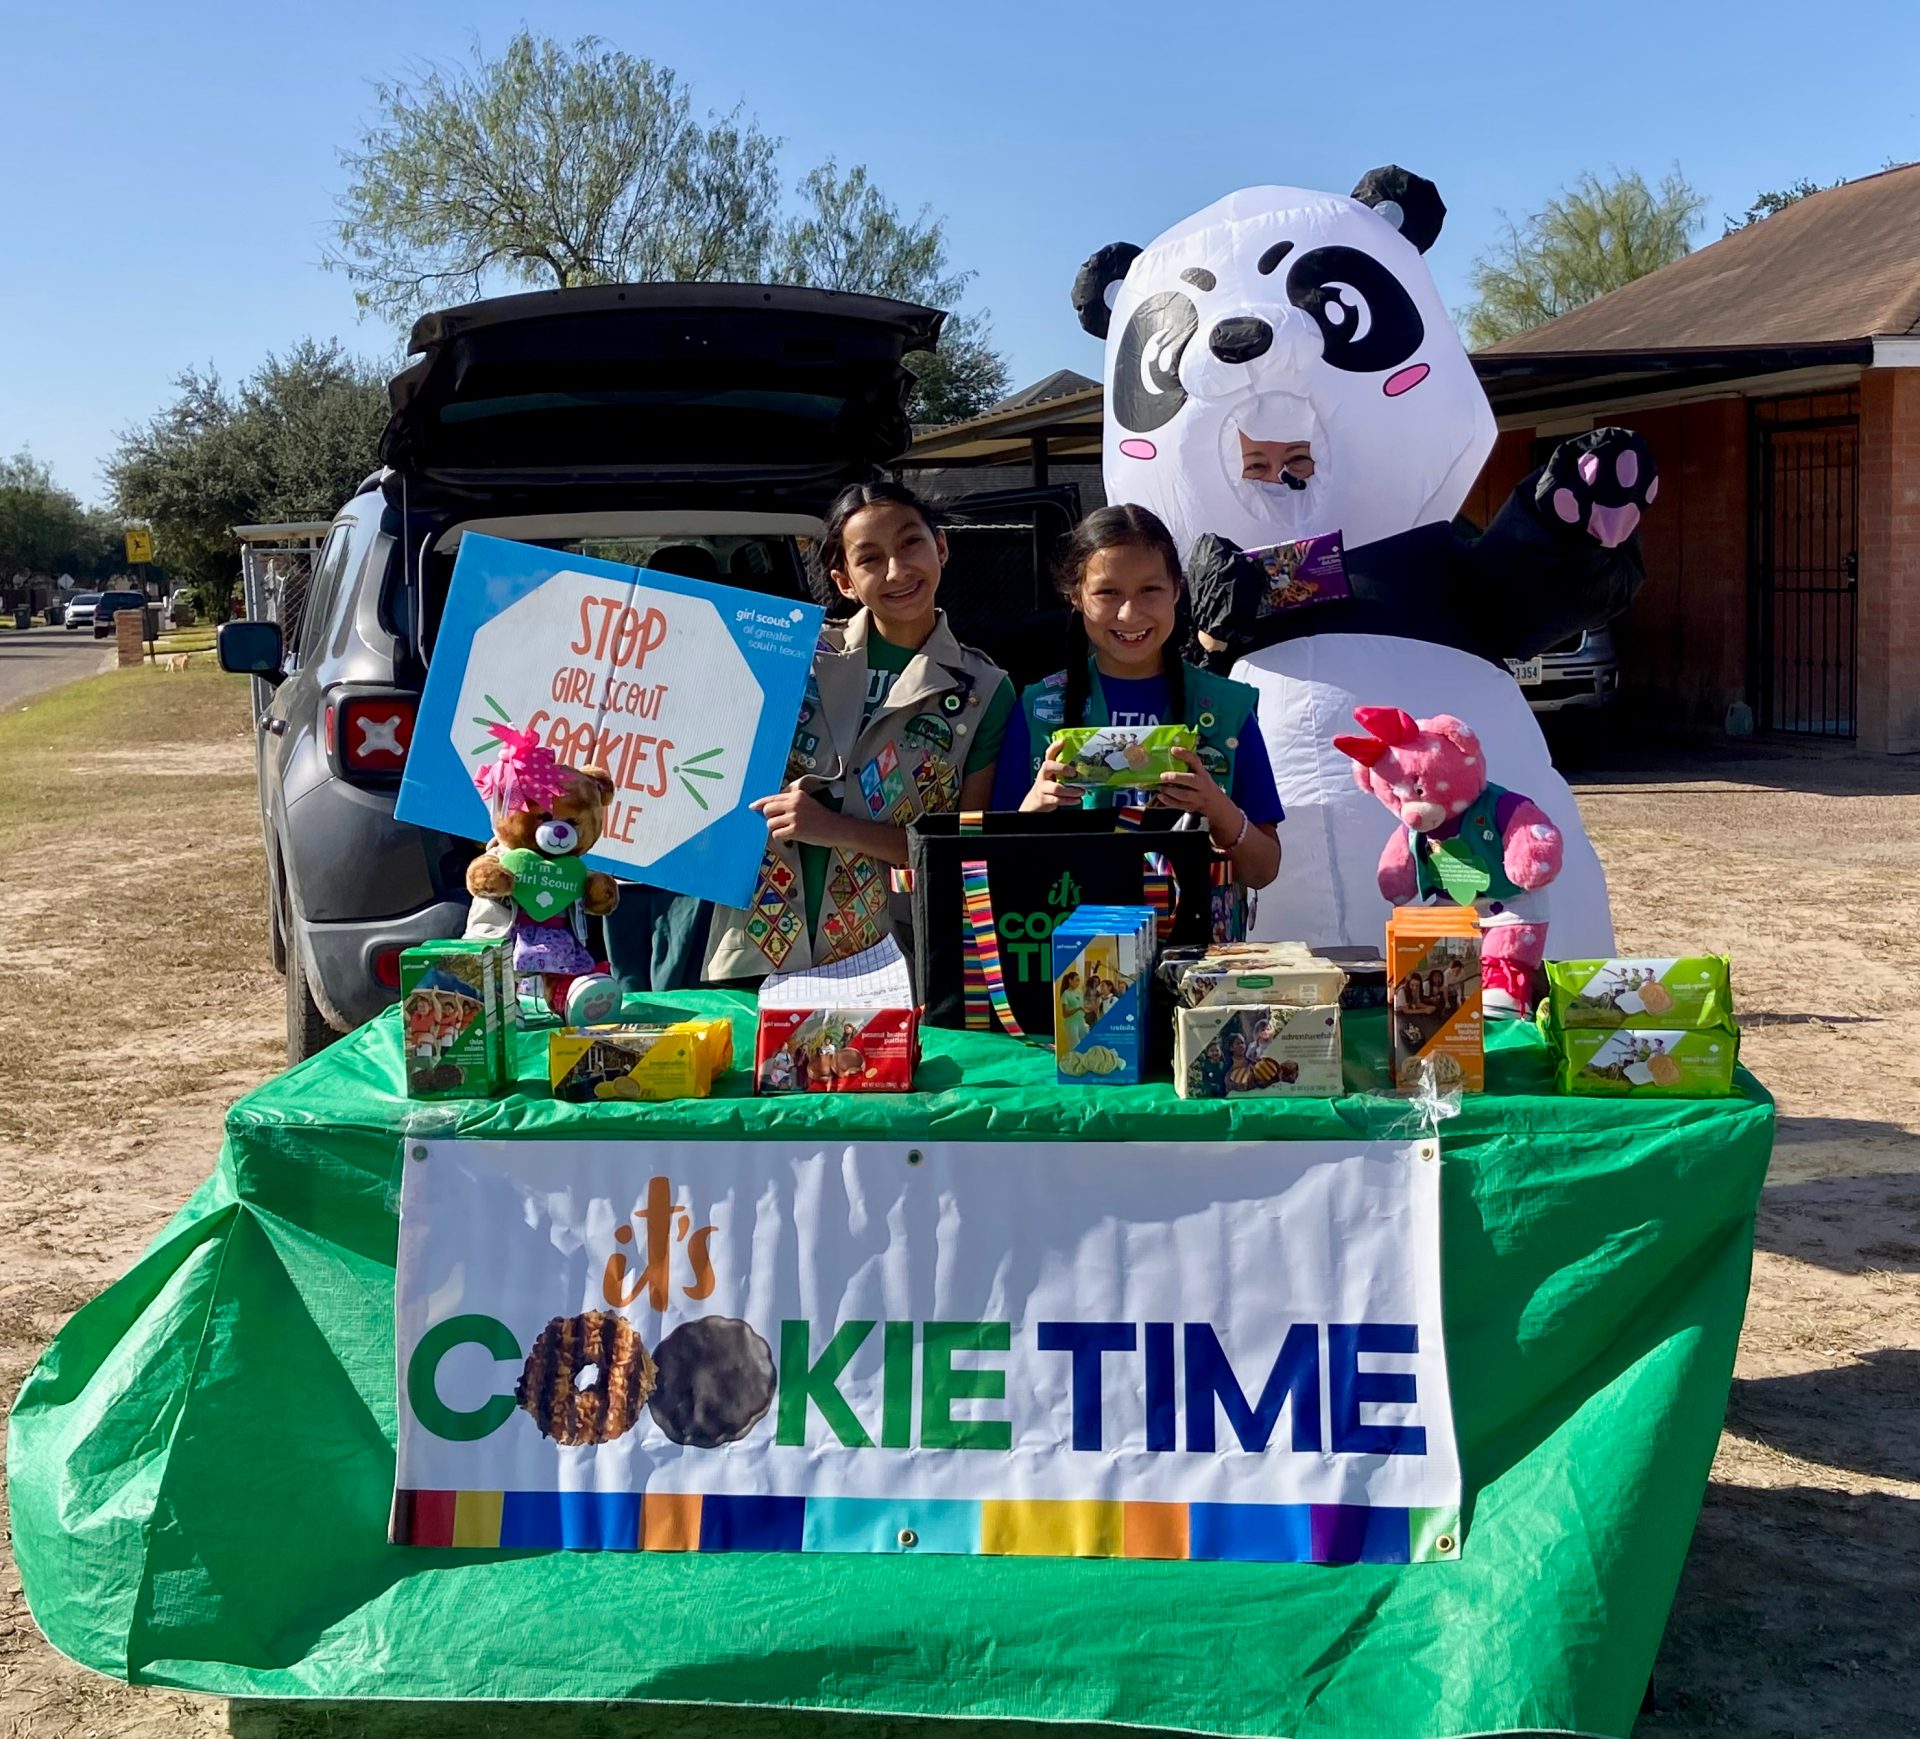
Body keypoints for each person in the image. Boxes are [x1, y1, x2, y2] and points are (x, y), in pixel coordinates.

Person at [703, 482, 1016, 981]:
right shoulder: (789, 655)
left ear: (941, 546)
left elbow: (962, 849)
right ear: (844, 580)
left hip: (886, 956)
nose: (897, 570)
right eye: (869, 558)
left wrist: (834, 829)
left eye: (911, 543)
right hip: (756, 939)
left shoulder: (984, 691)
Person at [992, 505, 1283, 893]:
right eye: (1108, 592)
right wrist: (1034, 808)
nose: (1129, 614)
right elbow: (994, 870)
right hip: (1069, 945)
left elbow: (1262, 872)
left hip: (1198, 948)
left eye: (1150, 590)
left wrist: (1217, 807)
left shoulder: (1225, 707)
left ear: (1177, 590)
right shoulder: (1038, 707)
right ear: (1075, 596)